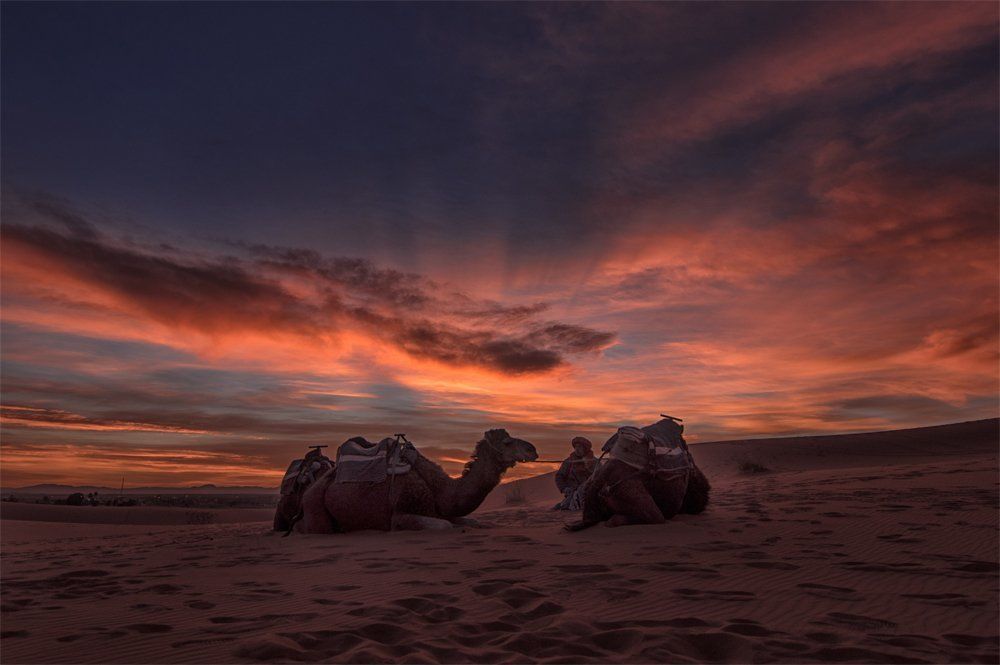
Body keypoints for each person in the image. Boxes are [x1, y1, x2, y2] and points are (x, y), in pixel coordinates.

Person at [553, 436, 598, 510]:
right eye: (576, 447)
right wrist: (564, 488)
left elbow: (601, 477)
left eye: (580, 447)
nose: (577, 449)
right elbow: (559, 476)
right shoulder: (569, 462)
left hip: (591, 493)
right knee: (563, 508)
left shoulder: (595, 462)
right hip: (573, 494)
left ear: (585, 448)